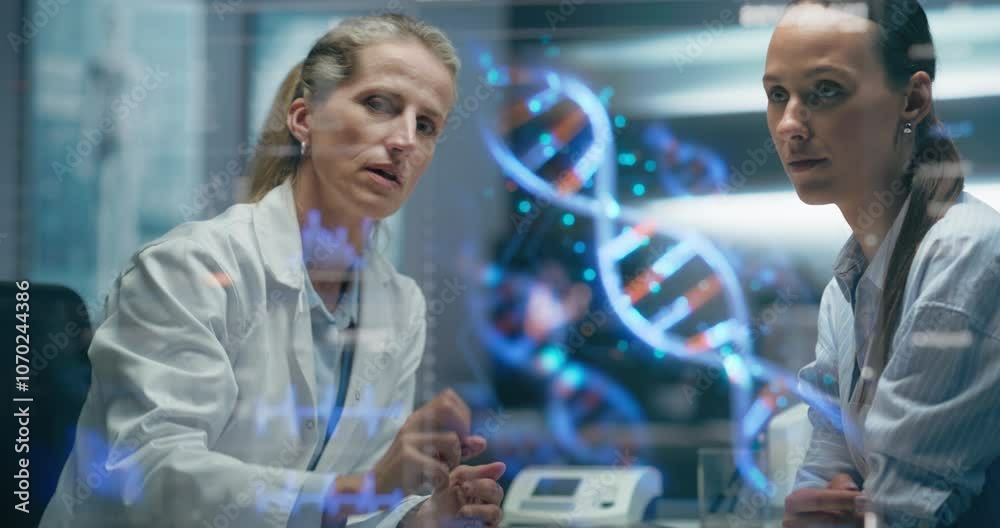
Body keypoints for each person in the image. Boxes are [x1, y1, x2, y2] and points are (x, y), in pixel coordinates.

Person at [41, 14, 505, 528]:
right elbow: (149, 474)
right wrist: (365, 491)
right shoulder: (189, 268)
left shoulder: (399, 305)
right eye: (379, 104)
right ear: (303, 120)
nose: (404, 140)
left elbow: (350, 502)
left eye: (427, 125)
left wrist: (417, 518)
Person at [762, 1, 1000, 527]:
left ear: (912, 100)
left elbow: (901, 511)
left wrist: (846, 508)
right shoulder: (846, 288)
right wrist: (820, 506)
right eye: (778, 95)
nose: (790, 124)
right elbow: (821, 482)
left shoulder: (964, 253)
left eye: (826, 90)